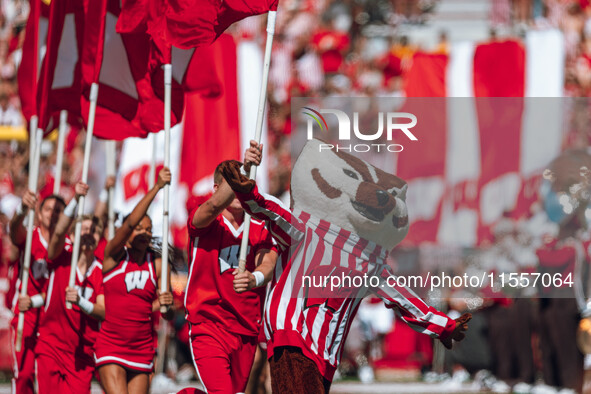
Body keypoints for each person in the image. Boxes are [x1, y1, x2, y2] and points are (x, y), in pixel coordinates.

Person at [218, 141, 470, 393]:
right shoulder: (309, 230)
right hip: (291, 335)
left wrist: (443, 326)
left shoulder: (370, 262)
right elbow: (274, 213)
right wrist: (249, 192)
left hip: (325, 354)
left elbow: (403, 298)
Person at [185, 142, 278, 393]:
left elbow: (268, 263)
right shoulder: (205, 223)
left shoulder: (260, 227)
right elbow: (214, 206)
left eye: (246, 183)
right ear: (217, 189)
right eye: (235, 184)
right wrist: (244, 168)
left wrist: (254, 279)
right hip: (209, 326)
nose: (241, 190)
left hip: (245, 330)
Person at [94, 167, 174, 394]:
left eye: (148, 230)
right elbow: (129, 223)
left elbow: (168, 314)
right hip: (111, 345)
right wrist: (157, 186)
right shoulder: (113, 256)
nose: (143, 232)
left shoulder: (158, 263)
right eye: (139, 227)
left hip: (141, 348)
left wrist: (167, 305)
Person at [33, 182, 106, 393]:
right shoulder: (61, 255)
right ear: (72, 235)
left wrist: (81, 303)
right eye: (83, 229)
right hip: (51, 345)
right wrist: (75, 199)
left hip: (81, 353)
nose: (88, 234)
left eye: (94, 231)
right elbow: (57, 233)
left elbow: (103, 311)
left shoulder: (100, 270)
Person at [9, 190, 65, 394]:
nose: (53, 214)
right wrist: (22, 210)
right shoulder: (31, 237)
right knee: (23, 374)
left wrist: (36, 300)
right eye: (49, 209)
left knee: (48, 379)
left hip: (55, 320)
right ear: (40, 214)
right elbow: (15, 231)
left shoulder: (68, 247)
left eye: (59, 210)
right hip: (28, 317)